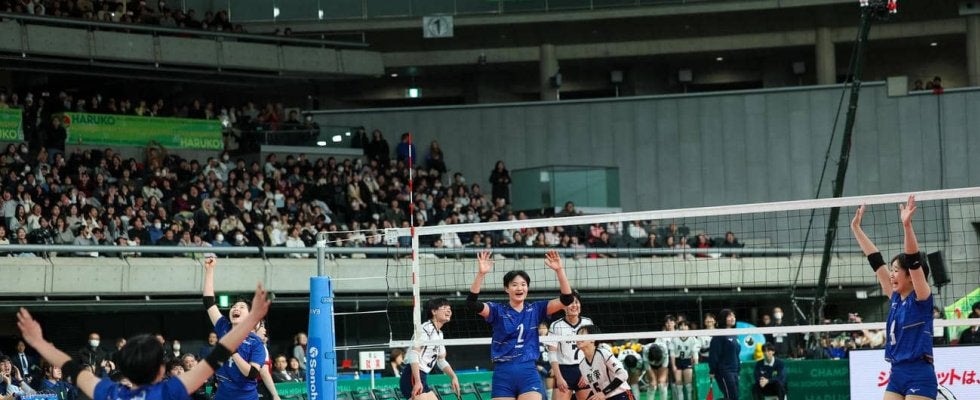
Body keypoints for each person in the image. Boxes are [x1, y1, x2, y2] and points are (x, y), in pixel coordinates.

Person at [16, 282, 271, 400]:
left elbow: (71, 368)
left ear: (124, 370)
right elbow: (217, 356)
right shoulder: (169, 391)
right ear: (162, 371)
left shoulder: (109, 392)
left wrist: (39, 342)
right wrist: (253, 318)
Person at [851, 195, 936, 400]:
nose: (891, 274)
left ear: (910, 276)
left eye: (896, 270)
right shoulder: (896, 297)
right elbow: (876, 261)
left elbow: (913, 260)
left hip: (919, 374)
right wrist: (856, 229)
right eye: (892, 269)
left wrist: (907, 226)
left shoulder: (921, 298)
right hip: (896, 373)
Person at [468, 250, 574, 400]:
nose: (519, 288)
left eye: (523, 284)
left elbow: (567, 299)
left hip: (528, 371)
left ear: (527, 288)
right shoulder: (497, 310)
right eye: (514, 285)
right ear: (506, 289)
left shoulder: (536, 309)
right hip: (503, 372)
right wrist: (481, 274)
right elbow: (471, 304)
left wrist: (559, 270)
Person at [203, 255, 268, 400]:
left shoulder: (255, 343)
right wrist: (209, 270)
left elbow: (252, 373)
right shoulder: (223, 327)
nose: (236, 308)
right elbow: (208, 302)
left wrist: (233, 352)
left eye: (241, 307)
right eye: (234, 306)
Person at [400, 298, 461, 400]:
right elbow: (413, 354)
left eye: (450, 308)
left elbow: (441, 360)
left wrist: (453, 376)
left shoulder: (439, 334)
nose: (449, 311)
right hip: (413, 376)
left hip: (422, 377)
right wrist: (417, 381)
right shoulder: (425, 329)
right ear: (434, 311)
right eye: (444, 308)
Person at [548, 292, 593, 400]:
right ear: (563, 307)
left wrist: (588, 371)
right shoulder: (556, 325)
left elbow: (593, 350)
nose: (574, 305)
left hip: (584, 369)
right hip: (564, 371)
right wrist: (559, 377)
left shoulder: (587, 322)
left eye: (576, 302)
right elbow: (552, 353)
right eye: (570, 303)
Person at [575, 325, 632, 400]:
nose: (578, 338)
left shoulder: (603, 353)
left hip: (622, 394)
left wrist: (604, 393)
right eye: (577, 335)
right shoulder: (582, 365)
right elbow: (596, 388)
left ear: (593, 339)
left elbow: (623, 374)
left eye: (582, 334)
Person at [709, 309, 740, 400]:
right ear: (723, 318)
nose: (733, 318)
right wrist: (712, 370)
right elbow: (714, 354)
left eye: (734, 316)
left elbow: (736, 354)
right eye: (729, 316)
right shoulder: (719, 335)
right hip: (724, 371)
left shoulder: (734, 335)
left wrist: (738, 369)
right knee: (731, 396)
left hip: (734, 371)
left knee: (734, 396)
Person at [669, 320, 700, 400]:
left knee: (688, 385)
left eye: (685, 325)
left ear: (688, 327)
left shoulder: (692, 338)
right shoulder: (674, 338)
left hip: (687, 361)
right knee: (678, 385)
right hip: (677, 361)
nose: (683, 327)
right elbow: (672, 353)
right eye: (681, 325)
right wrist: (673, 365)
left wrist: (696, 364)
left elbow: (695, 352)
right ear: (678, 327)